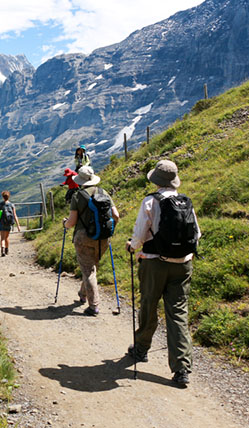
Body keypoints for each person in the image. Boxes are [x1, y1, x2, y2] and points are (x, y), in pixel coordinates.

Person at [125, 159, 200, 387]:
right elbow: (196, 233)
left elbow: (139, 233)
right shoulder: (185, 201)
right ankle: (181, 368)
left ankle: (141, 349)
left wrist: (132, 246)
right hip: (183, 264)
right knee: (178, 313)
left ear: (156, 180)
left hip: (154, 263)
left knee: (149, 304)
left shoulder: (150, 202)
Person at [62, 166, 120, 316]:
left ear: (80, 180)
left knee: (88, 270)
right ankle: (83, 294)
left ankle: (93, 306)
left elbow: (72, 222)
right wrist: (109, 229)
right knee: (91, 268)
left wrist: (65, 224)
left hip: (84, 237)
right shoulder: (104, 192)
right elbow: (116, 216)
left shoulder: (78, 196)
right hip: (103, 237)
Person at [0, 191, 17, 257]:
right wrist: (18, 225)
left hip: (2, 222)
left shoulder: (0, 205)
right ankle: (6, 249)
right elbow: (14, 215)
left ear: (3, 197)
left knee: (2, 238)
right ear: (9, 196)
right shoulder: (11, 205)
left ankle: (2, 250)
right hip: (8, 223)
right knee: (7, 237)